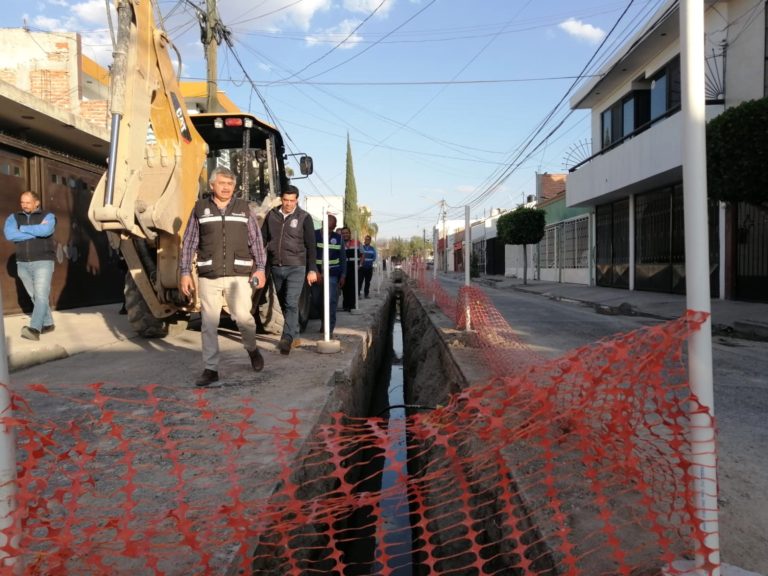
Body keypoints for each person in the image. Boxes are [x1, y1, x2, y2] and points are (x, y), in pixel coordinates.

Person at [179, 167, 266, 387]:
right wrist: (184, 272)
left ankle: (252, 349)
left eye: (230, 184)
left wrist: (261, 268)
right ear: (212, 185)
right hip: (209, 274)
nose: (226, 187)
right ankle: (211, 368)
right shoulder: (200, 208)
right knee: (209, 323)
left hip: (239, 276)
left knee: (244, 319)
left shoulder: (244, 208)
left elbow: (256, 241)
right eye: (222, 183)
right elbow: (189, 242)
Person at [262, 185, 317, 355]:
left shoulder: (304, 217)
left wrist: (312, 269)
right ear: (281, 199)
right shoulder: (271, 215)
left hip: (296, 266)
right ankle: (296, 335)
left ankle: (286, 339)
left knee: (291, 302)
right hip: (276, 267)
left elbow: (311, 245)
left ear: (297, 200)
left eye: (292, 201)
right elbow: (262, 238)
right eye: (285, 200)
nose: (288, 204)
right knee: (284, 303)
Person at [3, 191, 57, 341]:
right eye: (22, 202)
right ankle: (48, 323)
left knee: (40, 295)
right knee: (35, 295)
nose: (24, 205)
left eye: (27, 202)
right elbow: (9, 235)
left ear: (37, 202)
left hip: (43, 261)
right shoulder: (14, 218)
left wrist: (22, 229)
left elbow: (46, 230)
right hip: (22, 263)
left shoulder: (48, 216)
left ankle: (34, 329)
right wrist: (36, 231)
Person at [311, 214, 345, 336]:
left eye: (331, 228)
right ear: (322, 224)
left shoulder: (339, 238)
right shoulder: (314, 235)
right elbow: (310, 255)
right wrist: (315, 271)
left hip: (333, 274)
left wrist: (343, 275)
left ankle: (329, 328)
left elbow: (342, 258)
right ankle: (323, 320)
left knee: (331, 301)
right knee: (316, 300)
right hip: (317, 273)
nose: (328, 231)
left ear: (335, 227)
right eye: (326, 228)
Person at [339, 227, 359, 312]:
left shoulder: (356, 243)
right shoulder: (338, 243)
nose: (345, 234)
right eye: (343, 233)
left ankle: (352, 305)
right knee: (344, 286)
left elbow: (362, 254)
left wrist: (360, 265)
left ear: (350, 234)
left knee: (353, 286)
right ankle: (346, 305)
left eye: (347, 233)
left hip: (353, 266)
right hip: (343, 266)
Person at [358, 234, 377, 299]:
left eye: (368, 239)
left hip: (369, 268)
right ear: (364, 240)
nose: (367, 240)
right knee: (360, 281)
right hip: (362, 267)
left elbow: (374, 257)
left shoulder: (372, 249)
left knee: (367, 282)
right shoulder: (361, 247)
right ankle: (358, 294)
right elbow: (359, 256)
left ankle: (366, 294)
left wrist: (369, 261)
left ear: (370, 241)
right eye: (366, 239)